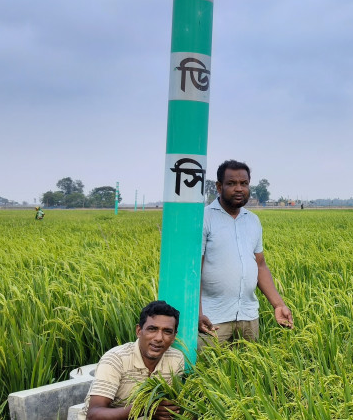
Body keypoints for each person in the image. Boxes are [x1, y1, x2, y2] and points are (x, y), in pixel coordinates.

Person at [198, 160, 293, 346]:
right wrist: (197, 313)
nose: (239, 189)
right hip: (212, 319)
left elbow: (260, 265)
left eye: (244, 183)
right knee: (207, 371)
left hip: (248, 317)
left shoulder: (253, 221)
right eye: (231, 183)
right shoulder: (204, 218)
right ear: (219, 187)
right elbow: (195, 270)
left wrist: (279, 304)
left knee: (249, 371)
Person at [77, 301, 185, 420]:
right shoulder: (116, 359)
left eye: (167, 332)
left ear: (174, 337)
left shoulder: (175, 359)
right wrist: (146, 408)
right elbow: (94, 415)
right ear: (139, 331)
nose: (159, 338)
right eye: (152, 329)